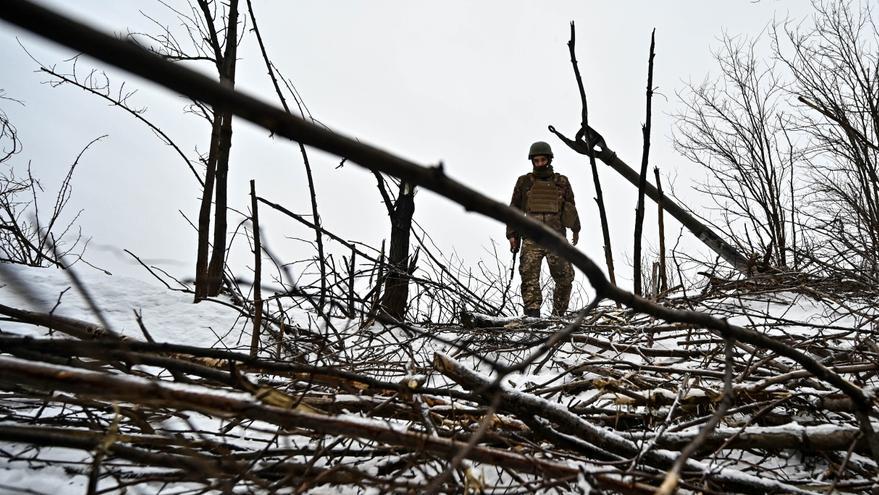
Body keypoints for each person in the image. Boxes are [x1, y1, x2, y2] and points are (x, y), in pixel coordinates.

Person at [506, 141, 580, 318]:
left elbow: (570, 207)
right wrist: (512, 235)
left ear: (549, 159)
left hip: (556, 238)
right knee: (529, 278)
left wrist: (576, 229)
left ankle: (558, 317)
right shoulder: (524, 182)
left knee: (565, 278)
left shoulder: (561, 182)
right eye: (536, 160)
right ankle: (533, 318)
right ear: (532, 161)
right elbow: (514, 210)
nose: (539, 164)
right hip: (532, 239)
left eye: (542, 160)